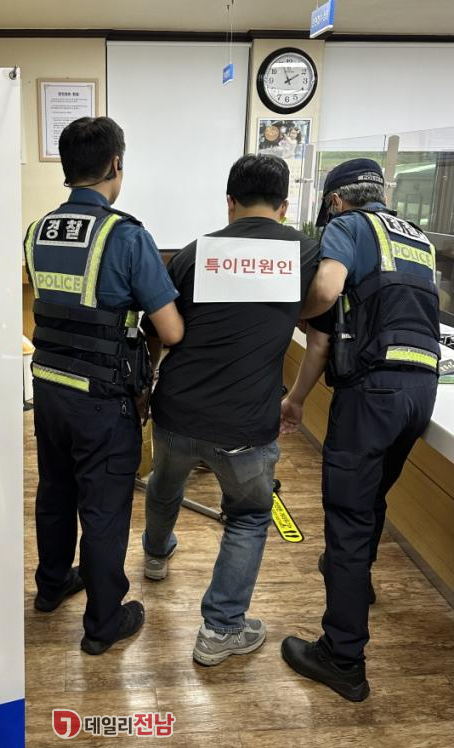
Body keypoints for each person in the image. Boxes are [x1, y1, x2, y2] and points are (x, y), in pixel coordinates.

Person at [141, 154, 320, 666]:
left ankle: (155, 555)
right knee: (248, 517)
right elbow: (326, 304)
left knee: (164, 482)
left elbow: (160, 331)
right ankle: (221, 630)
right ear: (284, 205)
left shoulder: (195, 253)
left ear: (230, 202)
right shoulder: (305, 252)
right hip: (245, 423)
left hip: (176, 408)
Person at [280, 159, 440, 701]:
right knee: (371, 499)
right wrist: (297, 399)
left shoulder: (349, 226)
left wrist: (297, 313)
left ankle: (342, 657)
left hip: (372, 392)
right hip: (421, 391)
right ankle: (356, 581)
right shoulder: (417, 238)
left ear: (334, 201)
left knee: (347, 518)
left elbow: (326, 293)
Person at [25, 116, 184, 656]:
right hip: (101, 400)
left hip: (48, 389)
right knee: (104, 509)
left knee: (55, 491)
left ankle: (51, 586)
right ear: (116, 163)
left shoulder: (37, 231)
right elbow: (171, 330)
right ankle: (103, 623)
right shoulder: (127, 236)